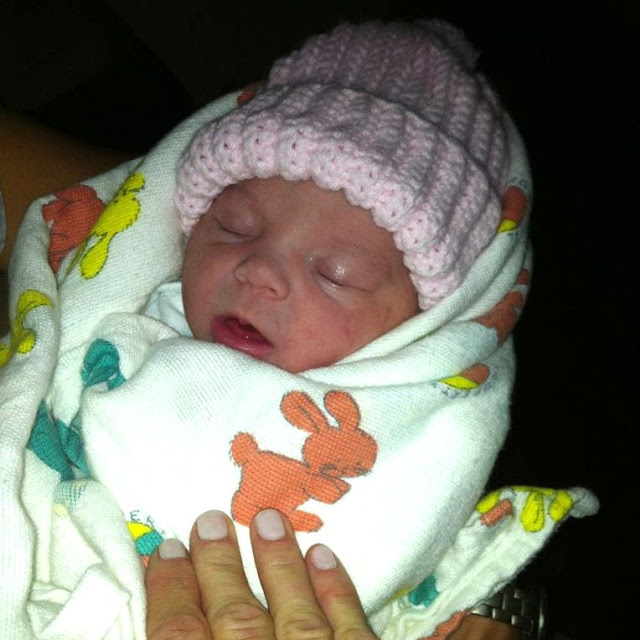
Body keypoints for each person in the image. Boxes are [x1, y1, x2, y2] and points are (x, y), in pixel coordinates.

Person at [0, 20, 598, 640]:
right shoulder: (123, 319)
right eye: (233, 227)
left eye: (336, 273)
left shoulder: (415, 438)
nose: (259, 270)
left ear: (425, 330)